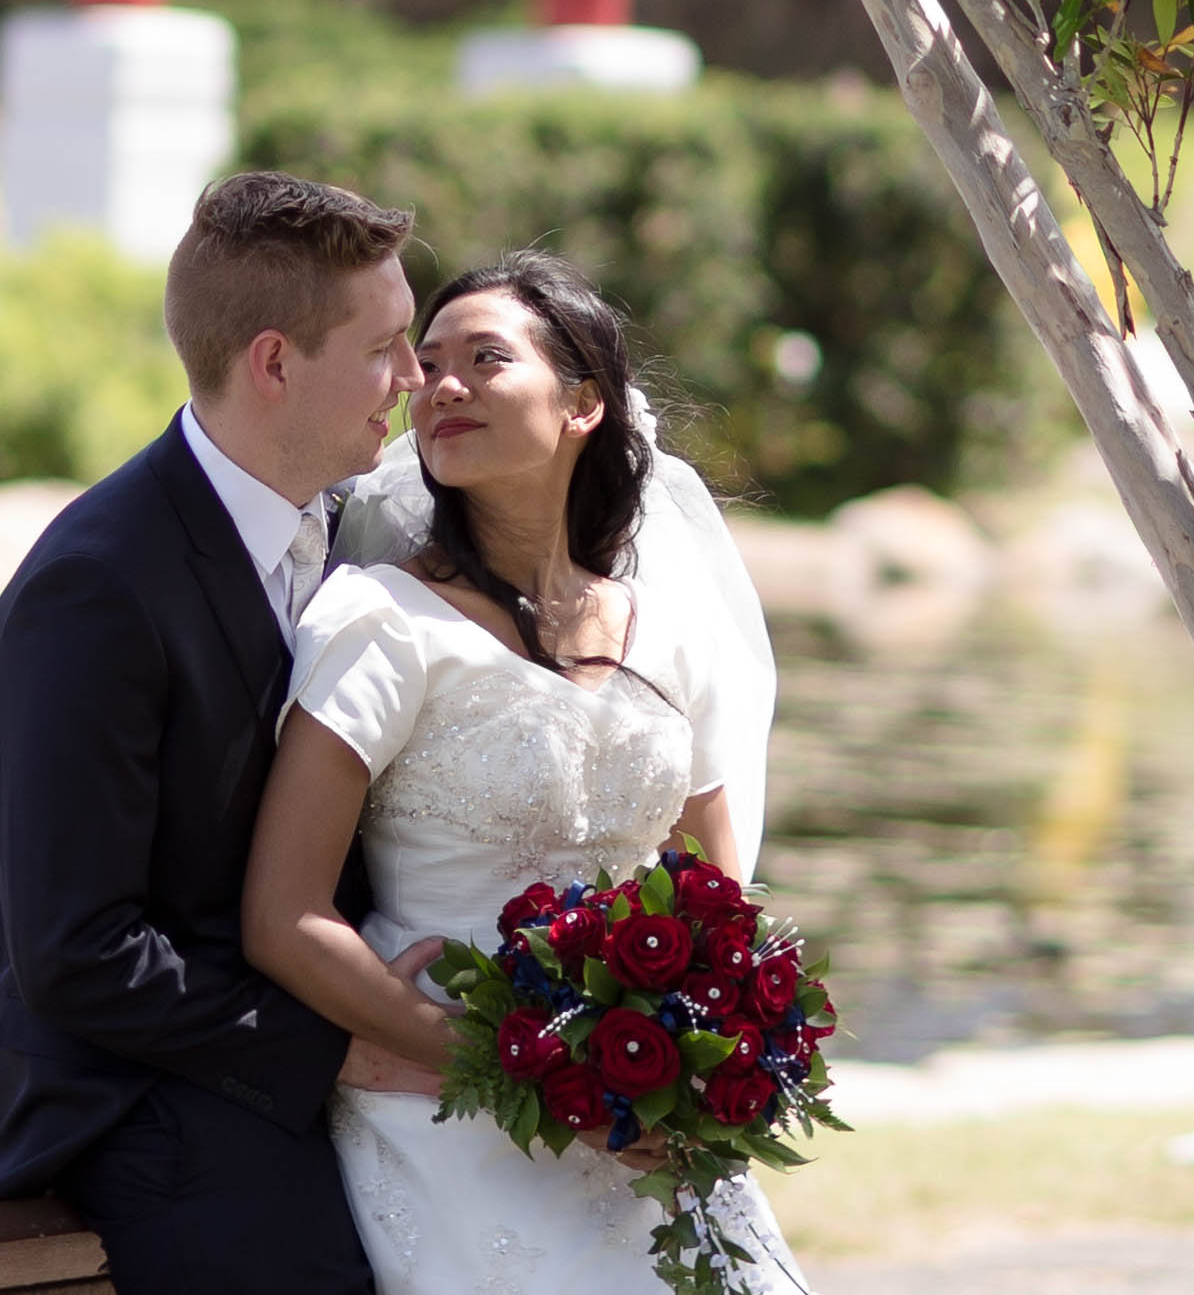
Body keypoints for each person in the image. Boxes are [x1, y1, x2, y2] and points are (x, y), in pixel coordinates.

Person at [0, 171, 436, 1295]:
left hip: (303, 1052)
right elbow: (80, 954)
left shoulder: (349, 527)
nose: (412, 377)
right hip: (135, 1102)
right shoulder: (94, 591)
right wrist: (342, 1050)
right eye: (384, 348)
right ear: (274, 362)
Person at [240, 250, 803, 1291]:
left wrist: (685, 1067)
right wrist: (507, 1061)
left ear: (582, 402)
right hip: (442, 1100)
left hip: (639, 1123)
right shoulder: (381, 623)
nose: (441, 387)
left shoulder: (668, 633)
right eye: (428, 364)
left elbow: (715, 900)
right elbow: (284, 916)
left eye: (485, 359)